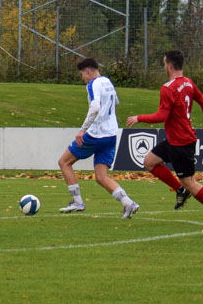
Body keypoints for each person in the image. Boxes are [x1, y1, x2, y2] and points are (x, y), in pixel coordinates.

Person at [125, 50, 203, 225]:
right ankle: (180, 190)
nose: (164, 67)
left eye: (164, 64)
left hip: (181, 142)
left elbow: (162, 116)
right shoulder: (188, 83)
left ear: (170, 65)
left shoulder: (168, 88)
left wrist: (139, 118)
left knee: (190, 182)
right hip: (175, 139)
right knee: (149, 162)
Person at [57, 57, 140, 218]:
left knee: (64, 162)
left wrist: (82, 130)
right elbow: (116, 102)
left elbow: (95, 107)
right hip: (111, 135)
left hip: (96, 134)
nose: (82, 78)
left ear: (88, 71)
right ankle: (128, 203)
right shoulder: (107, 81)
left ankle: (77, 202)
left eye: (82, 74)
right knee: (101, 177)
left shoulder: (92, 84)